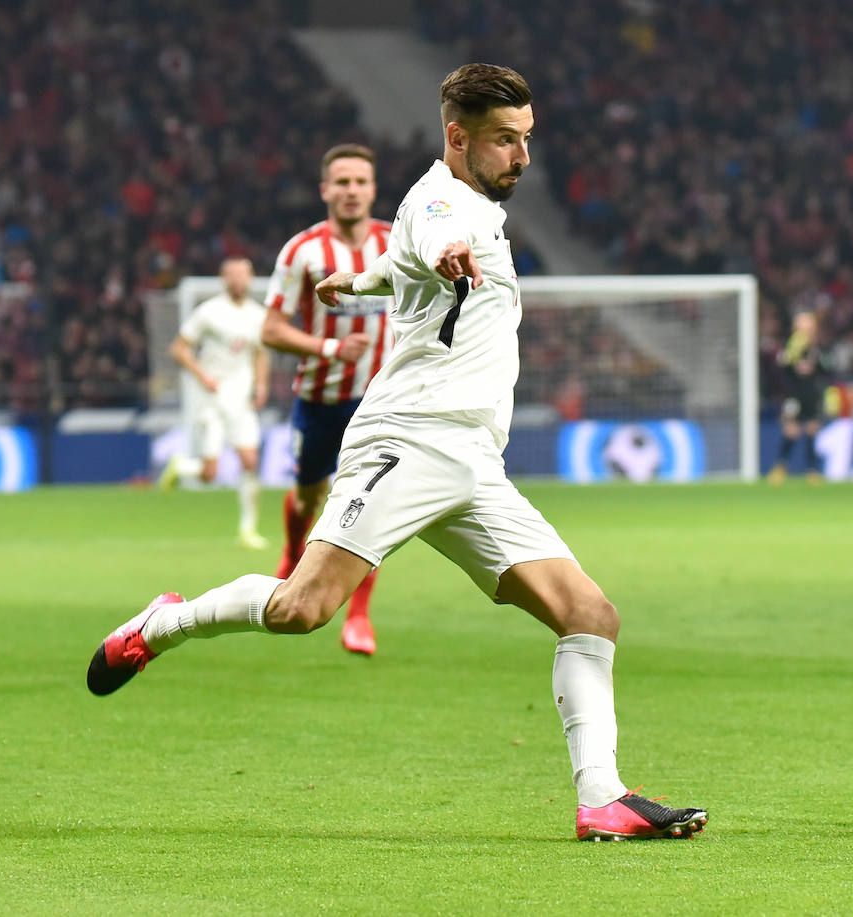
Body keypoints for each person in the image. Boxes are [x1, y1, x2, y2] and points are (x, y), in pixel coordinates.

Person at [86, 63, 707, 842]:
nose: (522, 157)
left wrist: (358, 286)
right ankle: (165, 621)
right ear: (458, 137)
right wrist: (447, 252)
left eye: (527, 140)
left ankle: (602, 798)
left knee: (589, 613)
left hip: (475, 462)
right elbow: (435, 234)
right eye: (506, 141)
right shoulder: (444, 202)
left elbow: (399, 262)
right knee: (300, 607)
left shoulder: (469, 208)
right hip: (410, 439)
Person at [261, 144, 391, 656]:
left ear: (373, 189)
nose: (352, 191)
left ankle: (358, 616)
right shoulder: (303, 252)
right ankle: (293, 551)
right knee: (310, 496)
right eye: (342, 182)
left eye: (360, 181)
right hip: (319, 397)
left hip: (382, 402)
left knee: (370, 505)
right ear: (325, 191)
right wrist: (331, 348)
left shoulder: (395, 244)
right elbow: (270, 329)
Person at [159, 257, 270, 549]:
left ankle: (248, 529)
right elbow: (179, 348)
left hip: (241, 399)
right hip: (211, 398)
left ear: (250, 278)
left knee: (250, 461)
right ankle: (182, 466)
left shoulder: (258, 315)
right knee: (210, 474)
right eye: (233, 275)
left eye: (243, 274)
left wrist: (261, 385)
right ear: (224, 279)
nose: (238, 280)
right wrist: (202, 375)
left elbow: (260, 353)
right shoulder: (208, 312)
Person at [767, 311, 826, 484]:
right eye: (801, 325)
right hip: (793, 394)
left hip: (811, 394)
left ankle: (812, 470)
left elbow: (825, 369)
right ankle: (780, 467)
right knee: (791, 431)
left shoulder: (817, 348)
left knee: (811, 430)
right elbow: (783, 368)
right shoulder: (790, 345)